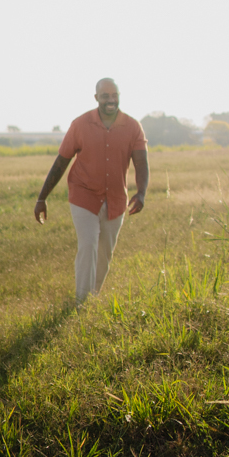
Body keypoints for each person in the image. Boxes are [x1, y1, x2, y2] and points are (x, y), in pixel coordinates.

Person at [33, 78, 148, 302]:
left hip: (115, 198)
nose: (111, 100)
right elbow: (61, 161)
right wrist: (42, 198)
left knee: (105, 253)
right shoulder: (80, 125)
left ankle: (92, 298)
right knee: (88, 245)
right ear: (96, 98)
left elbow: (141, 164)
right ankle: (81, 301)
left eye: (114, 95)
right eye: (105, 96)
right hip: (83, 194)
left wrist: (141, 192)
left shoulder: (133, 126)